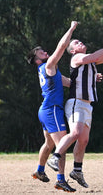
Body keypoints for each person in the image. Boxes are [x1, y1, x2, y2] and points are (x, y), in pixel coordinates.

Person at [47, 34, 103, 188]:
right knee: (76, 133)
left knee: (83, 140)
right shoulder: (77, 58)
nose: (80, 42)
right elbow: (98, 54)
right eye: (76, 42)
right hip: (76, 102)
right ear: (72, 51)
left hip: (87, 105)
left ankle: (77, 170)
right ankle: (55, 157)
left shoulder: (91, 60)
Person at [27, 21, 78, 193]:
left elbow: (70, 83)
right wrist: (71, 28)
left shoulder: (48, 70)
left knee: (49, 144)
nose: (46, 52)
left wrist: (91, 78)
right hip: (52, 110)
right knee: (61, 146)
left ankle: (40, 171)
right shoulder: (49, 66)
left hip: (45, 110)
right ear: (37, 59)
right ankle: (61, 180)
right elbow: (62, 46)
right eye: (42, 52)